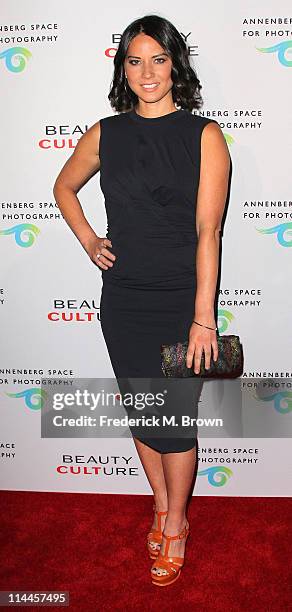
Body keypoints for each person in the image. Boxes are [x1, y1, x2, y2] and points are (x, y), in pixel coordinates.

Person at [53, 14, 230, 587]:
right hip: (122, 299)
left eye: (158, 59)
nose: (147, 72)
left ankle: (176, 524)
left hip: (181, 302)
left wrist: (204, 318)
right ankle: (160, 502)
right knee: (142, 412)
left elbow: (210, 232)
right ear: (122, 69)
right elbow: (63, 186)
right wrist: (88, 240)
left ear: (176, 64)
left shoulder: (204, 136)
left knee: (173, 420)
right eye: (135, 60)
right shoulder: (106, 132)